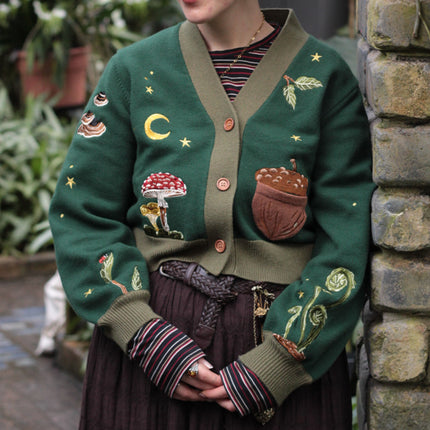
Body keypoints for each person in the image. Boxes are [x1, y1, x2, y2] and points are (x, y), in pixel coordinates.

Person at [49, 0, 375, 428]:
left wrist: (281, 359)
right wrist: (141, 331)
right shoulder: (134, 69)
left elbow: (346, 241)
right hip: (147, 350)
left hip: (276, 369)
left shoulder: (325, 77)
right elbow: (81, 213)